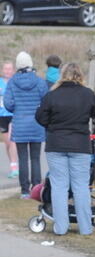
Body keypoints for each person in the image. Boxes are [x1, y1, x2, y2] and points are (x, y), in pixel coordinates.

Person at [34, 62, 95, 236]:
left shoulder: (52, 95)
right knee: (80, 186)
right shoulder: (87, 94)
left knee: (59, 186)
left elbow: (40, 116)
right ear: (80, 75)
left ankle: (61, 227)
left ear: (62, 75)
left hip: (56, 144)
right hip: (80, 145)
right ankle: (86, 228)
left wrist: (52, 126)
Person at [5, 52, 49, 198]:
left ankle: (24, 191)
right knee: (35, 158)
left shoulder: (12, 82)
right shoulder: (40, 81)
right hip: (37, 124)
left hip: (20, 124)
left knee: (22, 158)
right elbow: (46, 102)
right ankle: (36, 189)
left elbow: (8, 103)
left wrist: (17, 109)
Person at [0, 61, 18, 178]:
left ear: (13, 70)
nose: (7, 71)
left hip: (12, 114)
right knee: (7, 143)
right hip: (2, 116)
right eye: (5, 69)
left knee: (12, 141)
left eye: (9, 69)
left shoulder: (15, 83)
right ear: (2, 70)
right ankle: (13, 164)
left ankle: (15, 168)